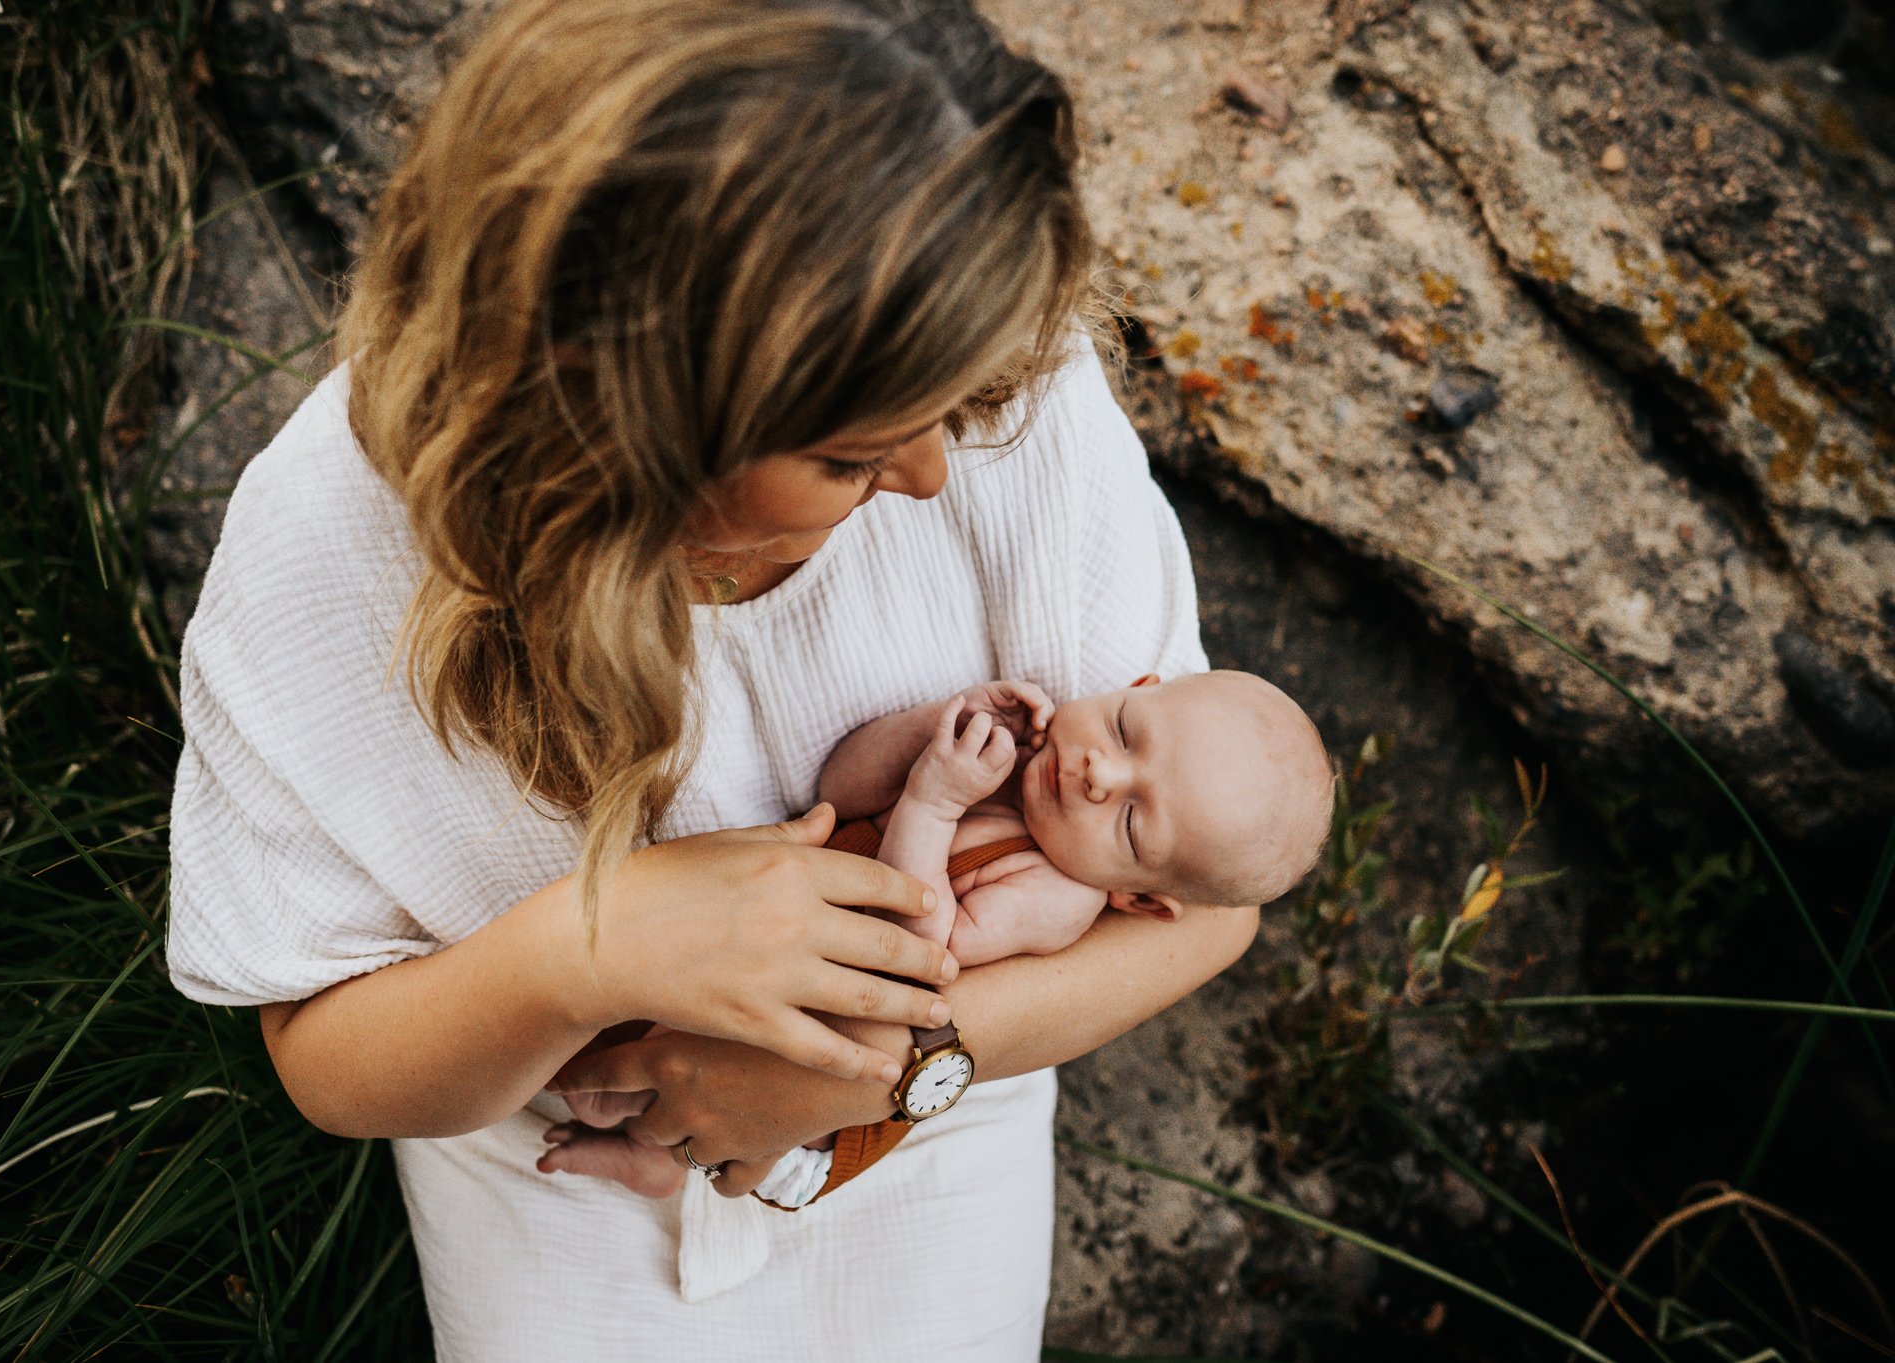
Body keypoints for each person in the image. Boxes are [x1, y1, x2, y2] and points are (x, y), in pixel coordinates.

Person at [164, 0, 1262, 1357]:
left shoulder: (980, 386)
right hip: (558, 1180)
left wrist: (884, 1073)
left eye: (946, 413)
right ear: (629, 417)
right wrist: (594, 943)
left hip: (938, 1130)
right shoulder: (329, 549)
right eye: (853, 457)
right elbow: (325, 1053)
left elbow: (1208, 909)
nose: (930, 469)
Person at [542, 670, 1332, 1206]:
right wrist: (938, 727)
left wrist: (934, 797)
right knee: (646, 1012)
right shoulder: (1021, 752)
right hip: (786, 952)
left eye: (1129, 819)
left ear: (1138, 896)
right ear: (1137, 686)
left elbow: (919, 951)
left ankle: (654, 1156)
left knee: (668, 1071)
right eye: (1126, 730)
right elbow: (844, 787)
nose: (1100, 772)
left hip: (832, 1064)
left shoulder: (1057, 895)